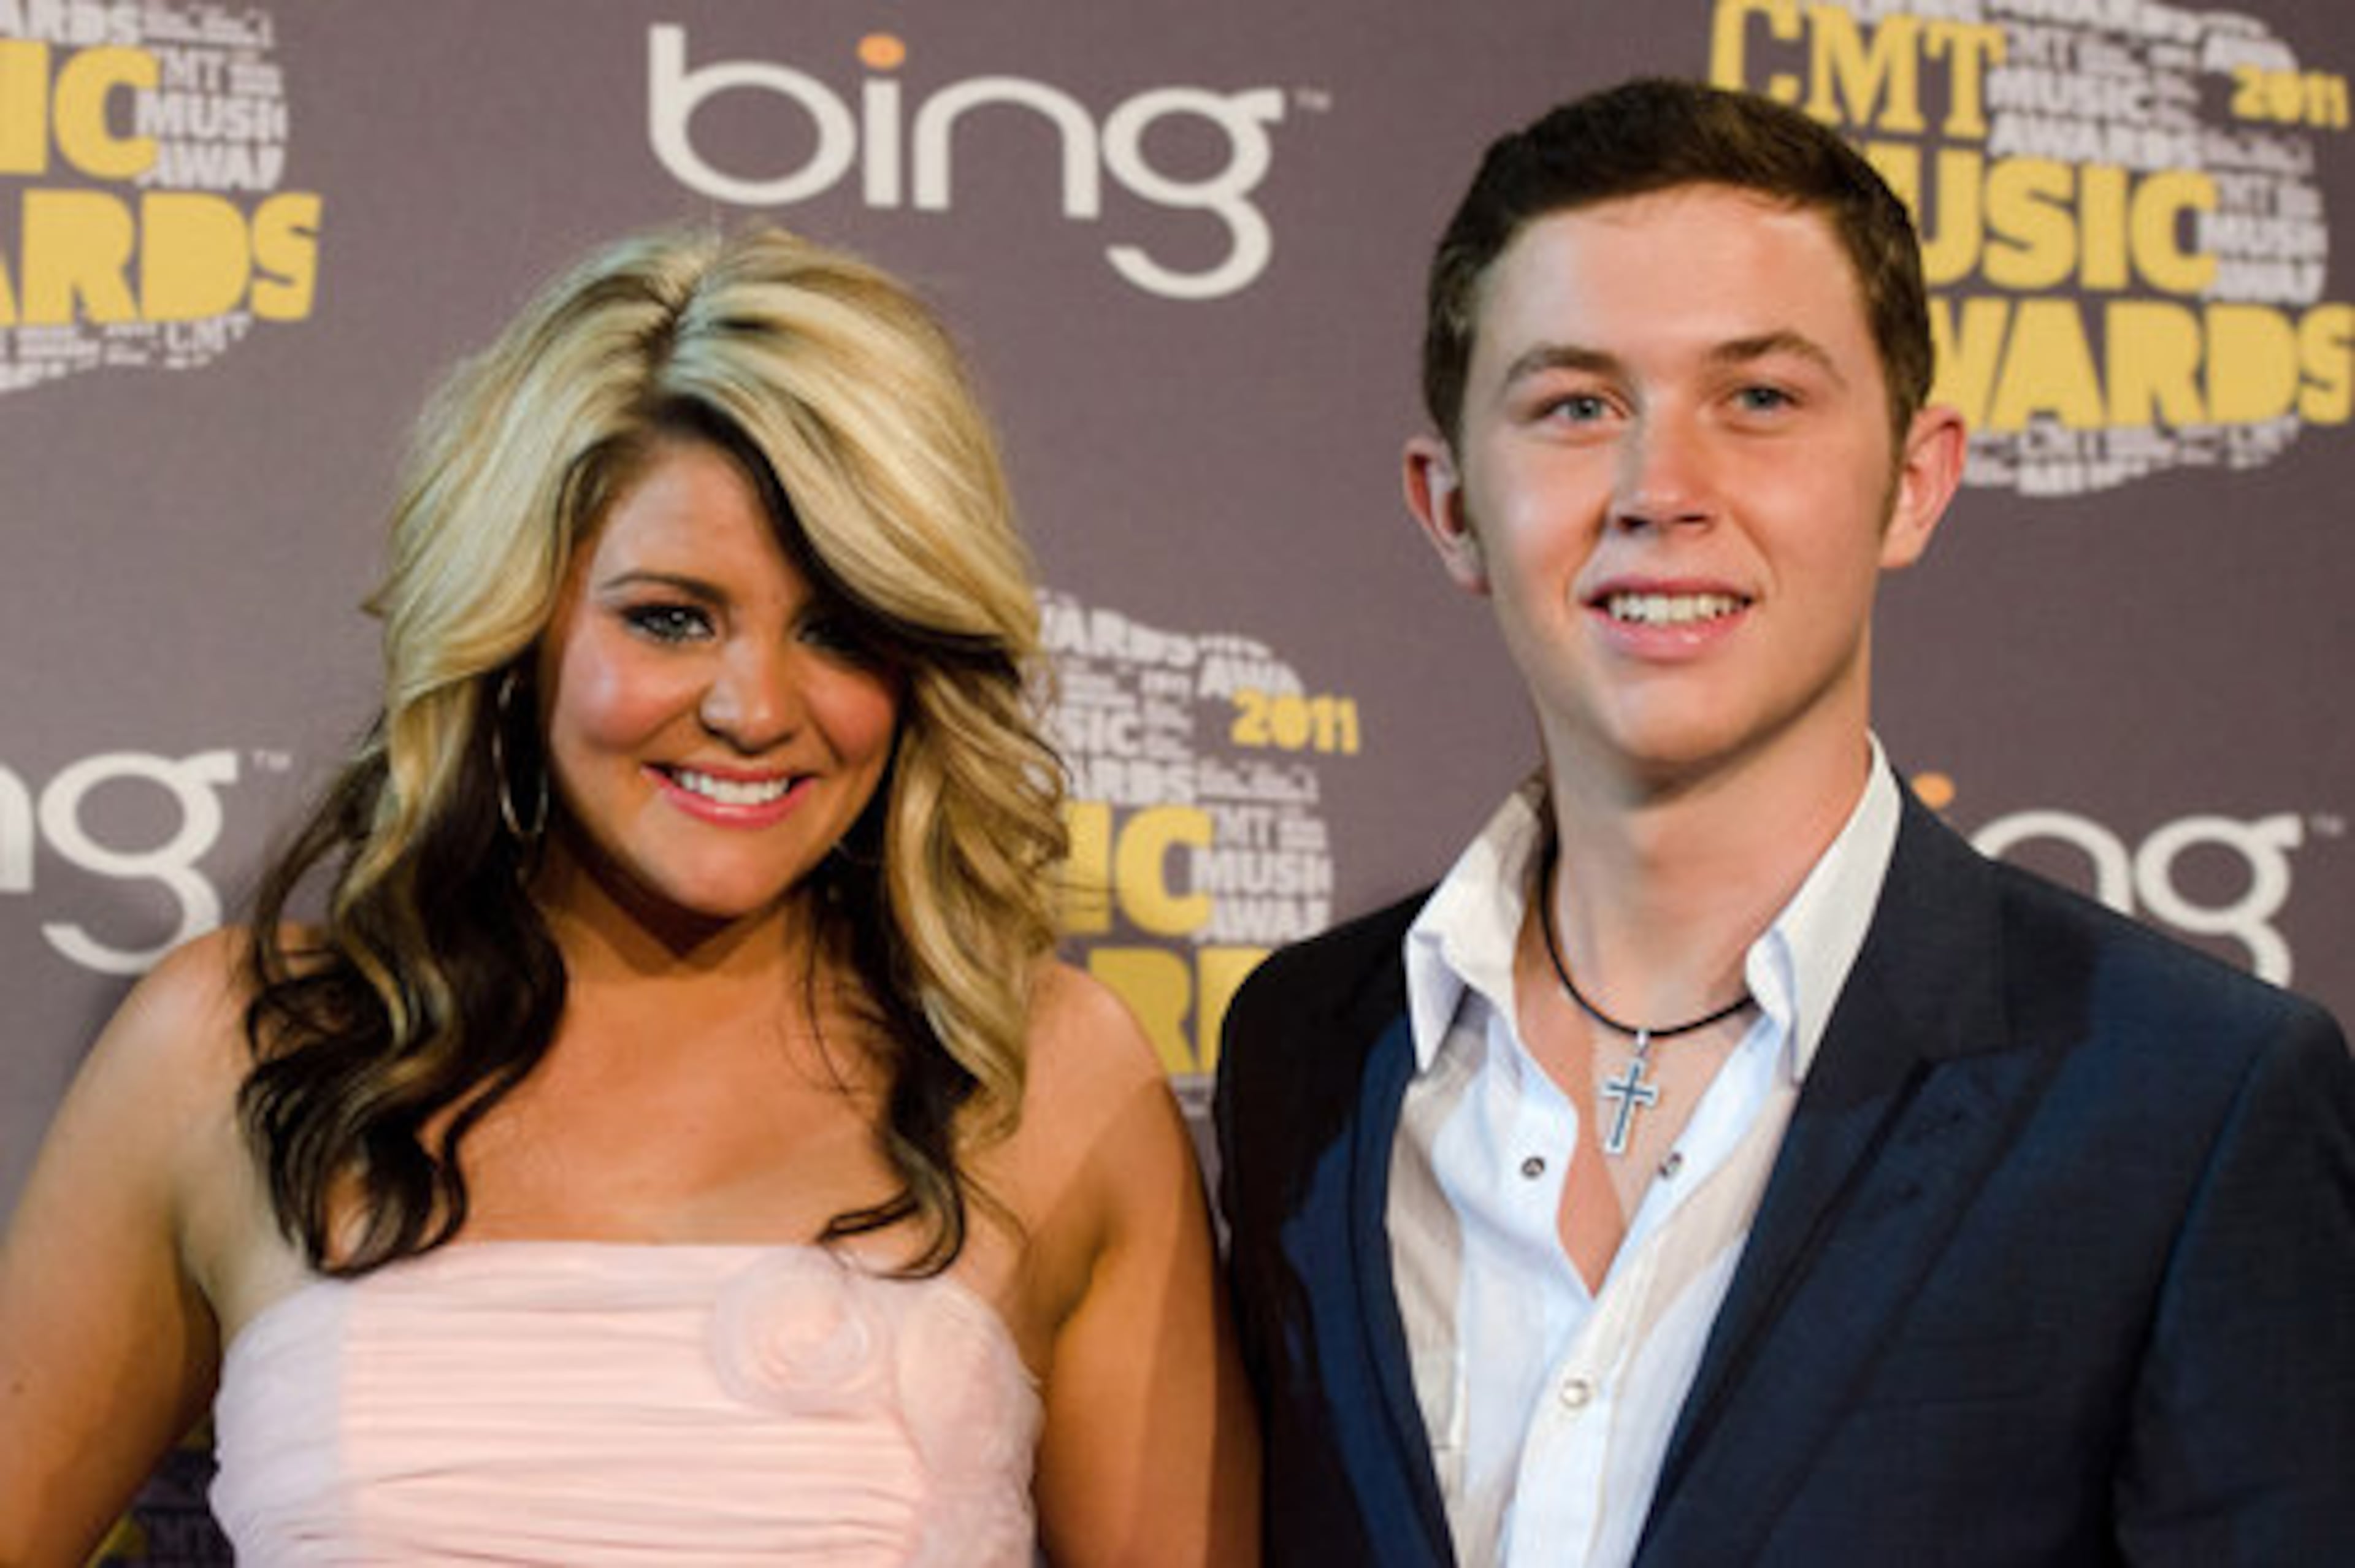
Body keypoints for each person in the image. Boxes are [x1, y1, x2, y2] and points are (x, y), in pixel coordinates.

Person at [1215, 76, 2354, 1567]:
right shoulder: (1306, 1050)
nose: (1660, 489)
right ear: (1450, 508)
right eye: (1576, 406)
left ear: (1915, 479)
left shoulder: (2190, 1101)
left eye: (1759, 399)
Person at [0, 225, 1258, 1566]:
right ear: (521, 619)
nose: (755, 707)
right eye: (671, 617)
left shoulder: (1046, 1078)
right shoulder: (234, 1050)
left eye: (839, 628)